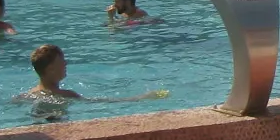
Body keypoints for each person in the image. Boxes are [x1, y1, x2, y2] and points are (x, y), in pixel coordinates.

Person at [15, 44, 169, 105]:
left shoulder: (27, 95)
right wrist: (143, 97)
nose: (66, 64)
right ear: (50, 69)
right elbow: (99, 101)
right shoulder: (66, 95)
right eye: (61, 61)